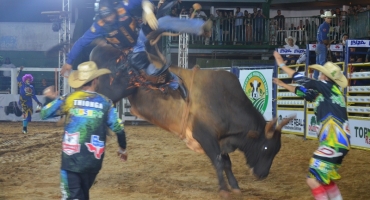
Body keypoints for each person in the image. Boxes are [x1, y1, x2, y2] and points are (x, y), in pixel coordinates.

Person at [61, 0, 211, 99]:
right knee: (151, 72)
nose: (109, 19)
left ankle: (200, 27)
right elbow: (81, 42)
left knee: (163, 21)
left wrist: (147, 8)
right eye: (106, 18)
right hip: (131, 51)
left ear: (114, 10)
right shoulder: (98, 27)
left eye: (110, 16)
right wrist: (69, 62)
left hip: (140, 33)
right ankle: (175, 82)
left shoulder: (122, 7)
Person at [41, 61, 128, 200]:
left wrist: (48, 97)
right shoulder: (105, 102)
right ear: (95, 80)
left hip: (71, 160)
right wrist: (122, 148)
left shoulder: (70, 99)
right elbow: (119, 128)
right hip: (93, 163)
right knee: (82, 195)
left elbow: (44, 113)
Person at [273, 51, 349, 200]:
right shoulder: (329, 92)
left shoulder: (327, 87)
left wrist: (282, 65)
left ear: (325, 77)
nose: (318, 75)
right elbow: (304, 92)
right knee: (325, 180)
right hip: (338, 143)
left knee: (312, 179)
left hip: (333, 142)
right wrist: (283, 84)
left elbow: (304, 81)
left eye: (320, 73)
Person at [17, 67, 42, 134]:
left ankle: (25, 128)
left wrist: (37, 101)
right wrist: (20, 70)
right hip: (22, 101)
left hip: (29, 102)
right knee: (25, 114)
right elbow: (18, 77)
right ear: (24, 80)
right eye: (27, 79)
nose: (28, 80)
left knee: (29, 115)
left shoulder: (31, 87)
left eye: (29, 79)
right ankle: (24, 129)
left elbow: (33, 95)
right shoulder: (21, 84)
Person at [315, 11, 336, 80]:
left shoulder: (323, 25)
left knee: (318, 63)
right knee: (322, 63)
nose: (330, 19)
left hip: (319, 45)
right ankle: (322, 79)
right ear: (325, 18)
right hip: (322, 45)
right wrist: (328, 42)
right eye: (328, 18)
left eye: (330, 18)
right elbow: (324, 39)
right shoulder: (325, 26)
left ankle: (316, 78)